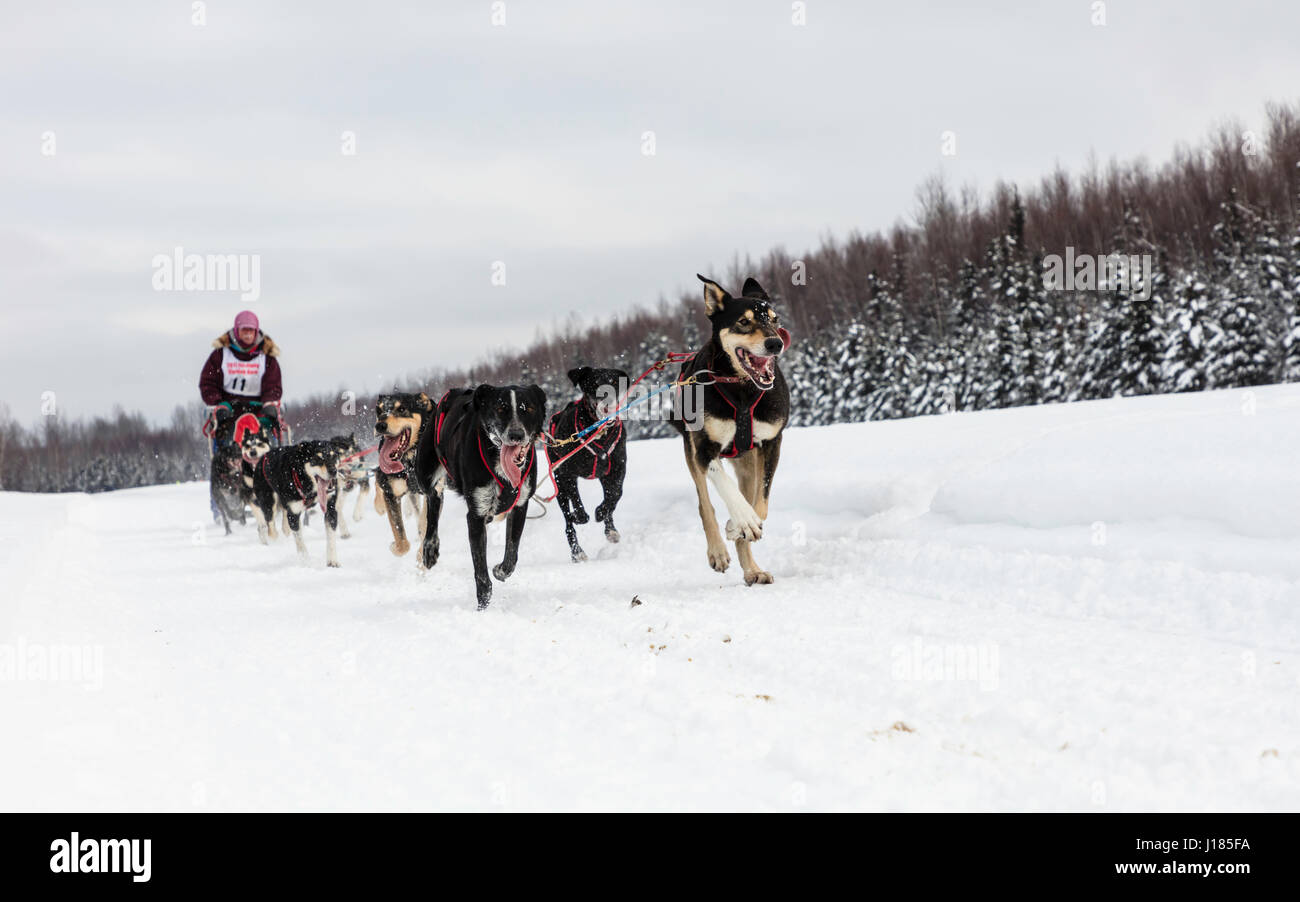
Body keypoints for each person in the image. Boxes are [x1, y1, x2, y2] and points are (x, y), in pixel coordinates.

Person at [199, 310, 284, 443]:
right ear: (237, 331)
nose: (248, 334)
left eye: (251, 331)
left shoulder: (267, 357)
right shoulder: (220, 355)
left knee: (268, 443)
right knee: (227, 444)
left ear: (256, 332)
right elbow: (208, 383)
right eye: (244, 330)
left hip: (259, 411)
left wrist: (269, 402)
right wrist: (218, 403)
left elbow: (273, 385)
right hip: (228, 412)